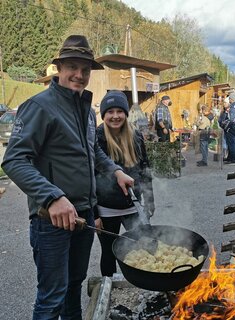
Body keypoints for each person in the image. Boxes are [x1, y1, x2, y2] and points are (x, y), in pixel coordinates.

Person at [1, 35, 134, 320]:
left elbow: (93, 149)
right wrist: (52, 198)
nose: (80, 75)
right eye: (72, 66)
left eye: (85, 69)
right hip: (52, 219)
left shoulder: (85, 109)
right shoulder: (40, 106)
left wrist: (115, 170)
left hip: (82, 215)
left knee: (74, 287)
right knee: (52, 297)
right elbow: (14, 160)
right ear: (58, 68)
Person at [94, 90, 154, 277]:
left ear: (126, 114)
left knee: (144, 248)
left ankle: (143, 284)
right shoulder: (96, 138)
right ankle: (108, 287)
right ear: (104, 114)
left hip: (133, 206)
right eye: (110, 112)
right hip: (105, 209)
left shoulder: (135, 137)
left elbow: (145, 169)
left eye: (119, 111)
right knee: (109, 253)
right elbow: (89, 177)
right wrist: (93, 213)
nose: (115, 116)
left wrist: (150, 200)